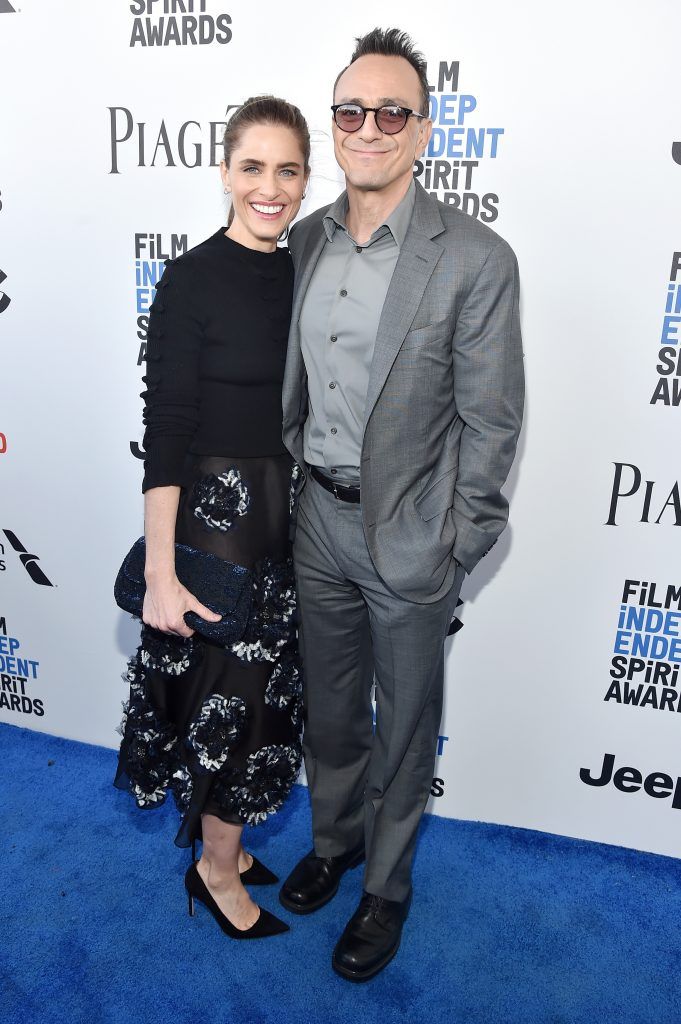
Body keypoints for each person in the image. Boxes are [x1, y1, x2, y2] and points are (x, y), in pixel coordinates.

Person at [280, 28, 525, 979]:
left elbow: (492, 423)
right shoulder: (303, 239)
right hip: (316, 522)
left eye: (392, 112)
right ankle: (333, 842)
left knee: (405, 719)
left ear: (423, 131)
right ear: (332, 125)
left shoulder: (473, 258)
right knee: (334, 712)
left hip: (411, 537)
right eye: (351, 110)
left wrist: (453, 546)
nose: (368, 126)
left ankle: (384, 886)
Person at [115, 95, 310, 940]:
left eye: (289, 169)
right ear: (225, 172)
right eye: (253, 166)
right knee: (231, 701)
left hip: (288, 516)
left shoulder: (305, 269)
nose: (270, 187)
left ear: (305, 180)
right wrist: (160, 570)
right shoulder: (191, 279)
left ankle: (217, 838)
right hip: (216, 521)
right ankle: (215, 866)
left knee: (264, 700)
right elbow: (166, 432)